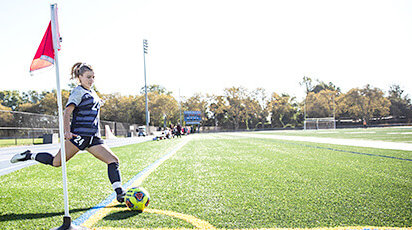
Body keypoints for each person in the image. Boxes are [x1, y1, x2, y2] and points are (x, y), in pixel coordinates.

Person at [10, 62, 126, 203]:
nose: (91, 80)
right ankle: (29, 155)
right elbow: (67, 112)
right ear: (80, 77)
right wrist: (67, 132)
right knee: (56, 162)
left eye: (93, 77)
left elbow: (91, 105)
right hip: (78, 136)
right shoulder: (78, 91)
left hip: (93, 138)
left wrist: (99, 102)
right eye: (88, 77)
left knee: (113, 160)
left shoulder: (92, 92)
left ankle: (120, 193)